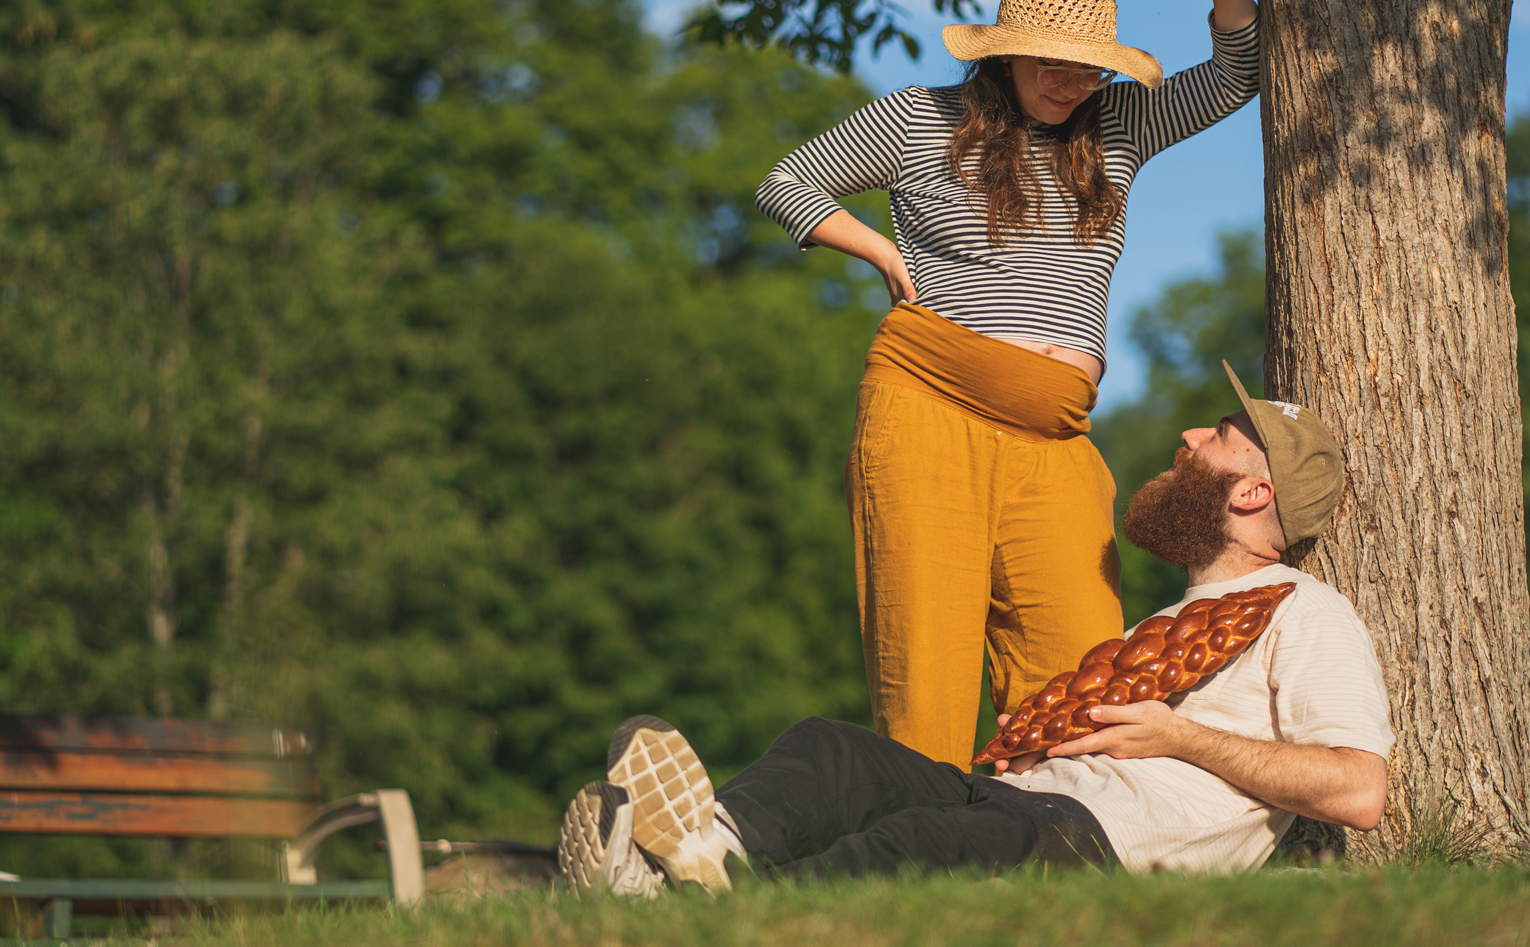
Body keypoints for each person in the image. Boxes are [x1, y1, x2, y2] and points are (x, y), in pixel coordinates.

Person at [556, 363, 1393, 892]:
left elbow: (1359, 791)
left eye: (1217, 437)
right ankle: (700, 849)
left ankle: (715, 905)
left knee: (923, 841)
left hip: (1103, 842)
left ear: (1252, 492)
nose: (1188, 436)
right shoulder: (1169, 621)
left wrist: (1179, 737)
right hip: (1023, 794)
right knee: (833, 751)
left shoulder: (1306, 610)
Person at [753, 0, 1262, 769]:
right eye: (1053, 64)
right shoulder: (921, 119)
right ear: (1006, 53)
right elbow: (787, 182)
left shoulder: (1118, 126)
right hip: (929, 410)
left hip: (1057, 439)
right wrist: (879, 249)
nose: (1072, 83)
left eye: (1090, 69)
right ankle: (904, 846)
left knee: (1083, 690)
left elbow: (1235, 74)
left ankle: (1043, 840)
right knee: (926, 682)